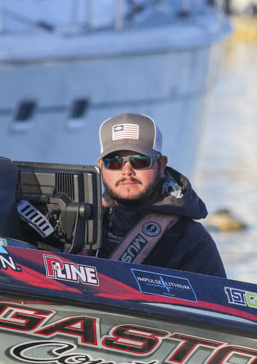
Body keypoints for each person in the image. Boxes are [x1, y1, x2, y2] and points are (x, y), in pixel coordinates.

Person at [95, 113, 226, 278]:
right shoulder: (79, 223)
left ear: (162, 165)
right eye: (114, 162)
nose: (127, 171)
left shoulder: (191, 239)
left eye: (140, 161)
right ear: (101, 166)